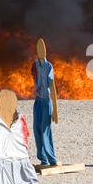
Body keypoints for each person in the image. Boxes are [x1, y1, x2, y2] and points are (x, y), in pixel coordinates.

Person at [31, 38, 59, 166]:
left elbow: (52, 86)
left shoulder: (49, 66)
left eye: (42, 48)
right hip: (38, 102)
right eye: (39, 48)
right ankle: (43, 160)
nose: (41, 51)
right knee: (36, 129)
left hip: (46, 101)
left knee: (45, 130)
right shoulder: (35, 65)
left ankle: (52, 160)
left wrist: (55, 109)